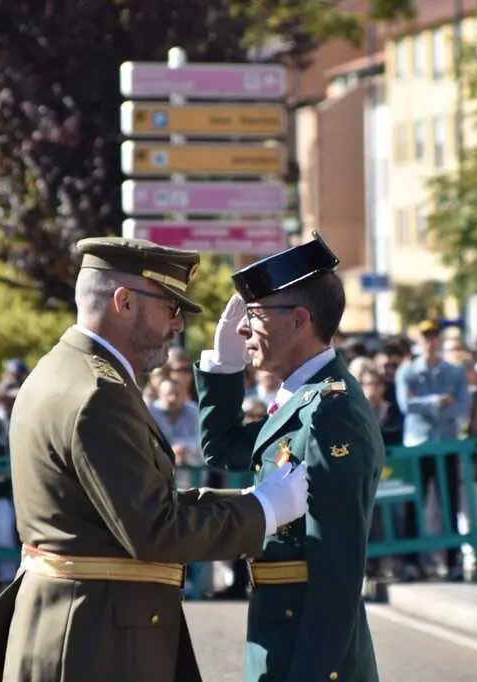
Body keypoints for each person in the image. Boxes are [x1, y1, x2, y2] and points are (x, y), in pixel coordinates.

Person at [0, 237, 309, 682]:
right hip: (96, 640)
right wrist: (265, 510)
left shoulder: (68, 370)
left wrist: (249, 499)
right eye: (170, 307)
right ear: (124, 302)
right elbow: (155, 530)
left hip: (81, 624)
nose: (178, 324)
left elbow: (136, 502)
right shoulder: (99, 394)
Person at [195, 233, 385, 682]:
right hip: (279, 627)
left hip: (305, 644)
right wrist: (223, 367)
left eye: (255, 315)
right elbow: (221, 448)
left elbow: (337, 569)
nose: (243, 330)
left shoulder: (330, 410)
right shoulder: (302, 399)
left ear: (299, 321)